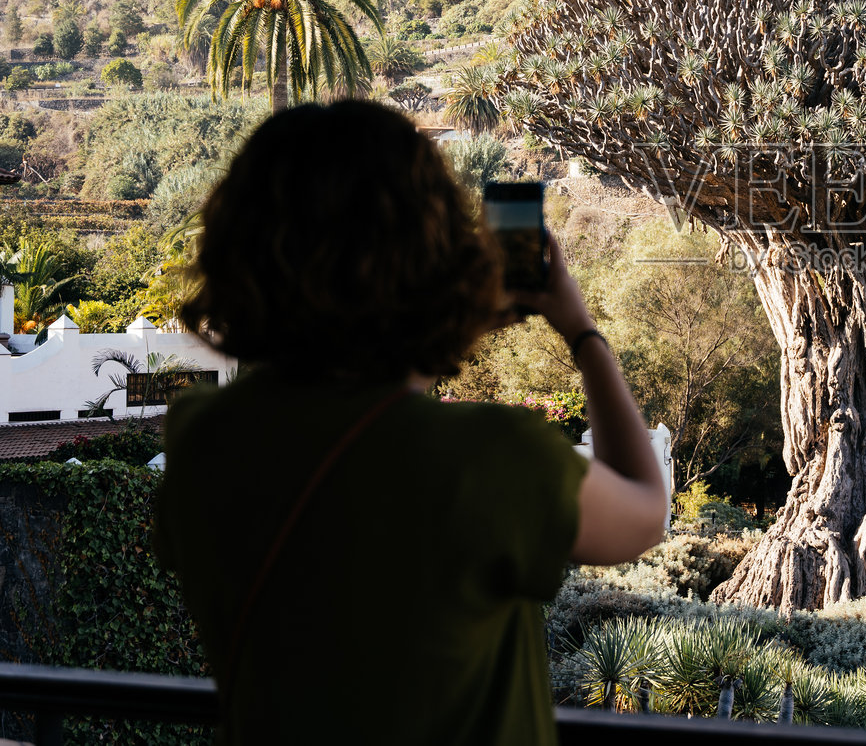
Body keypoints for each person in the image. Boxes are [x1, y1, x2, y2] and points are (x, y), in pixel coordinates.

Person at [154, 101, 667, 745]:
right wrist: (581, 331)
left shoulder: (204, 436)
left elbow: (351, 418)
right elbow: (646, 511)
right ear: (433, 258)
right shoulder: (491, 456)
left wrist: (435, 326)